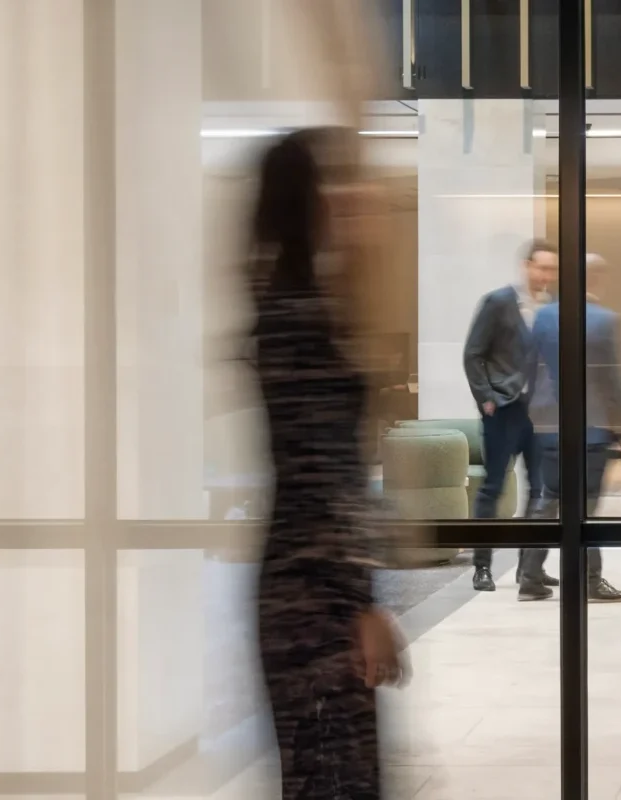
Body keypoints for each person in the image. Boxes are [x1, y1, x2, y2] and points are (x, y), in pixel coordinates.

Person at [244, 128, 403, 800]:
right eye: (340, 180)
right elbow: (320, 475)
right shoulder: (297, 317)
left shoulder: (295, 304)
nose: (359, 195)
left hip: (307, 585)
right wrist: (357, 605)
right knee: (335, 782)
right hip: (311, 595)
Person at [528, 254, 621, 602]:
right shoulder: (604, 320)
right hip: (590, 427)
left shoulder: (543, 316)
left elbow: (530, 368)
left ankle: (529, 577)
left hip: (547, 424)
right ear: (594, 279)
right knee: (586, 508)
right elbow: (610, 380)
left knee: (549, 501)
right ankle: (590, 581)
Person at [462, 240, 555, 598]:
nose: (547, 275)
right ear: (527, 266)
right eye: (542, 267)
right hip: (505, 409)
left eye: (552, 269)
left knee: (540, 491)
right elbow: (473, 354)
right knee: (493, 486)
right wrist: (486, 398)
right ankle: (482, 566)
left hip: (542, 413)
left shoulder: (552, 308)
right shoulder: (499, 302)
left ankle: (528, 569)